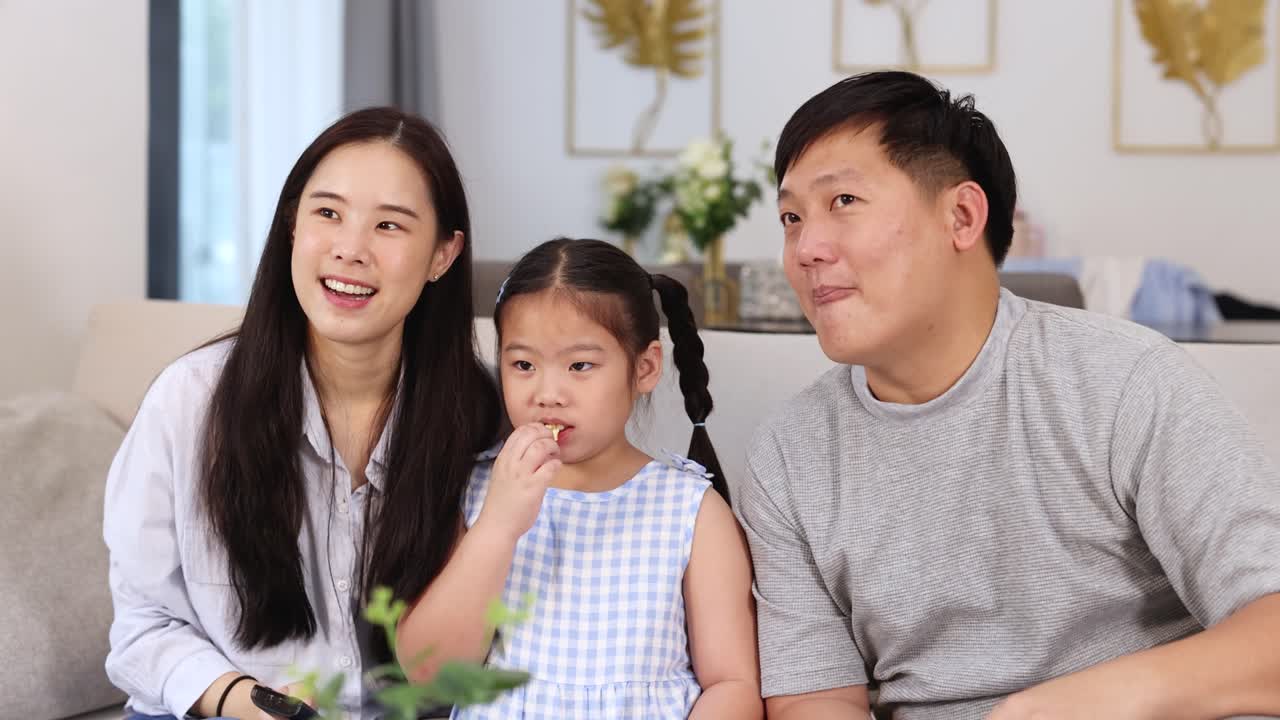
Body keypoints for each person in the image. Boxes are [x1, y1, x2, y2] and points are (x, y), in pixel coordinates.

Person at [734, 70, 1280, 719]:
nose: (805, 249)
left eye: (844, 201)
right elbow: (816, 699)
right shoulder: (788, 454)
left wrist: (1064, 707)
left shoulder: (1127, 381)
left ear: (962, 216)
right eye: (791, 217)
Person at [104, 107, 501, 720]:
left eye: (389, 225)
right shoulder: (189, 400)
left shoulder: (487, 417)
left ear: (442, 256)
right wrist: (250, 702)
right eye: (328, 213)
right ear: (293, 224)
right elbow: (142, 627)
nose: (350, 250)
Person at [397, 238, 762, 719]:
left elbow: (732, 684)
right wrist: (498, 526)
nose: (548, 393)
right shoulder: (476, 490)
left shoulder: (691, 510)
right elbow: (429, 675)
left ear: (645, 368)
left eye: (580, 365)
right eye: (523, 365)